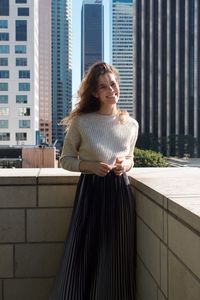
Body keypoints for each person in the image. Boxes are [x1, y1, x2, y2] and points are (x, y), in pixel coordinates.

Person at [49, 62, 139, 300]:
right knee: (86, 253)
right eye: (104, 86)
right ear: (95, 93)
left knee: (117, 254)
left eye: (113, 83)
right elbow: (65, 160)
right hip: (91, 193)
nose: (112, 89)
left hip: (120, 192)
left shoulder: (131, 124)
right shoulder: (82, 123)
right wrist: (89, 166)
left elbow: (131, 158)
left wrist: (124, 165)